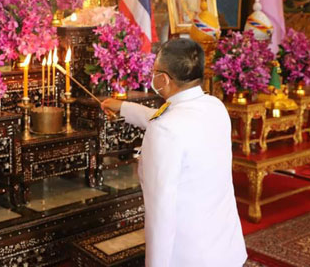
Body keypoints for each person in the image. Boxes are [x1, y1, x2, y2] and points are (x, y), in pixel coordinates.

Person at [101, 38, 247, 267]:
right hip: (224, 247)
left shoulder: (167, 128)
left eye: (155, 72)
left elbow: (161, 211)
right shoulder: (214, 106)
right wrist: (124, 108)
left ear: (165, 79)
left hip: (188, 255)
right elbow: (170, 121)